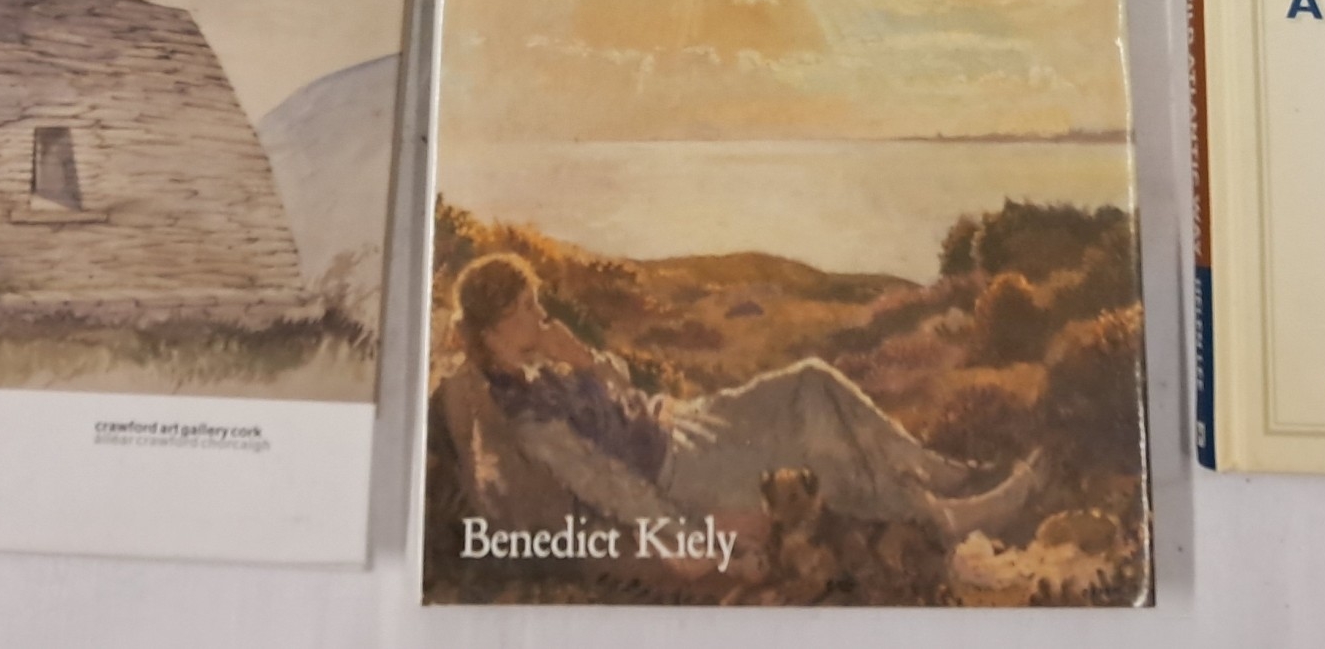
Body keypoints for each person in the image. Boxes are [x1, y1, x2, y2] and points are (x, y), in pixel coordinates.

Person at [434, 253, 1041, 541]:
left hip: (678, 423)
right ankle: (942, 516)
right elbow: (607, 483)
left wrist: (586, 361)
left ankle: (943, 471)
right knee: (815, 441)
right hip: (679, 467)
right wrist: (683, 537)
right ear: (498, 324)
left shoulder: (541, 369)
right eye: (529, 308)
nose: (542, 317)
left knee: (812, 378)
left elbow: (624, 395)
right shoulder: (528, 416)